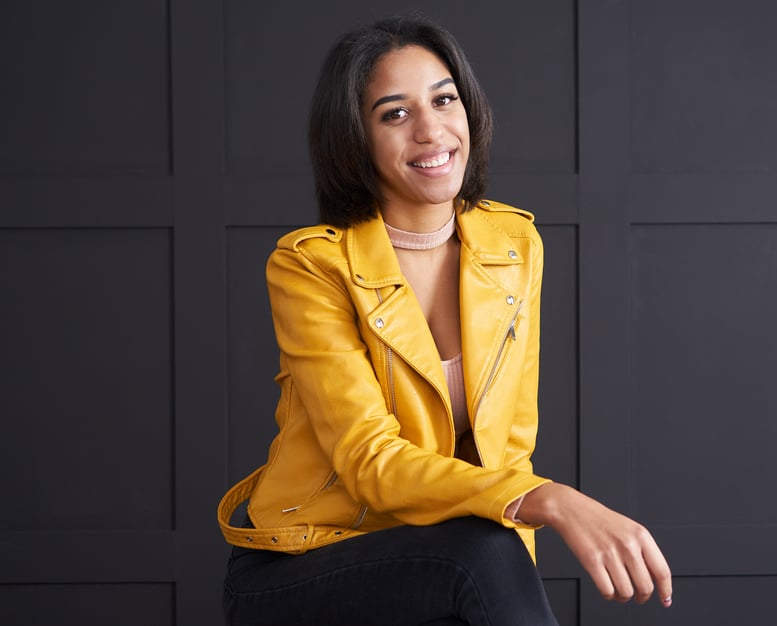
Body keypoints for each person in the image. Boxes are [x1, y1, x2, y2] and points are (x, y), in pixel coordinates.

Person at [218, 15, 672, 625]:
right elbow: (370, 462)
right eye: (395, 114)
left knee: (485, 552)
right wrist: (553, 500)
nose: (432, 131)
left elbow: (506, 453)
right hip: (307, 558)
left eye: (443, 99)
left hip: (447, 558)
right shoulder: (312, 265)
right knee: (478, 554)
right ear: (356, 139)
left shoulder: (514, 246)